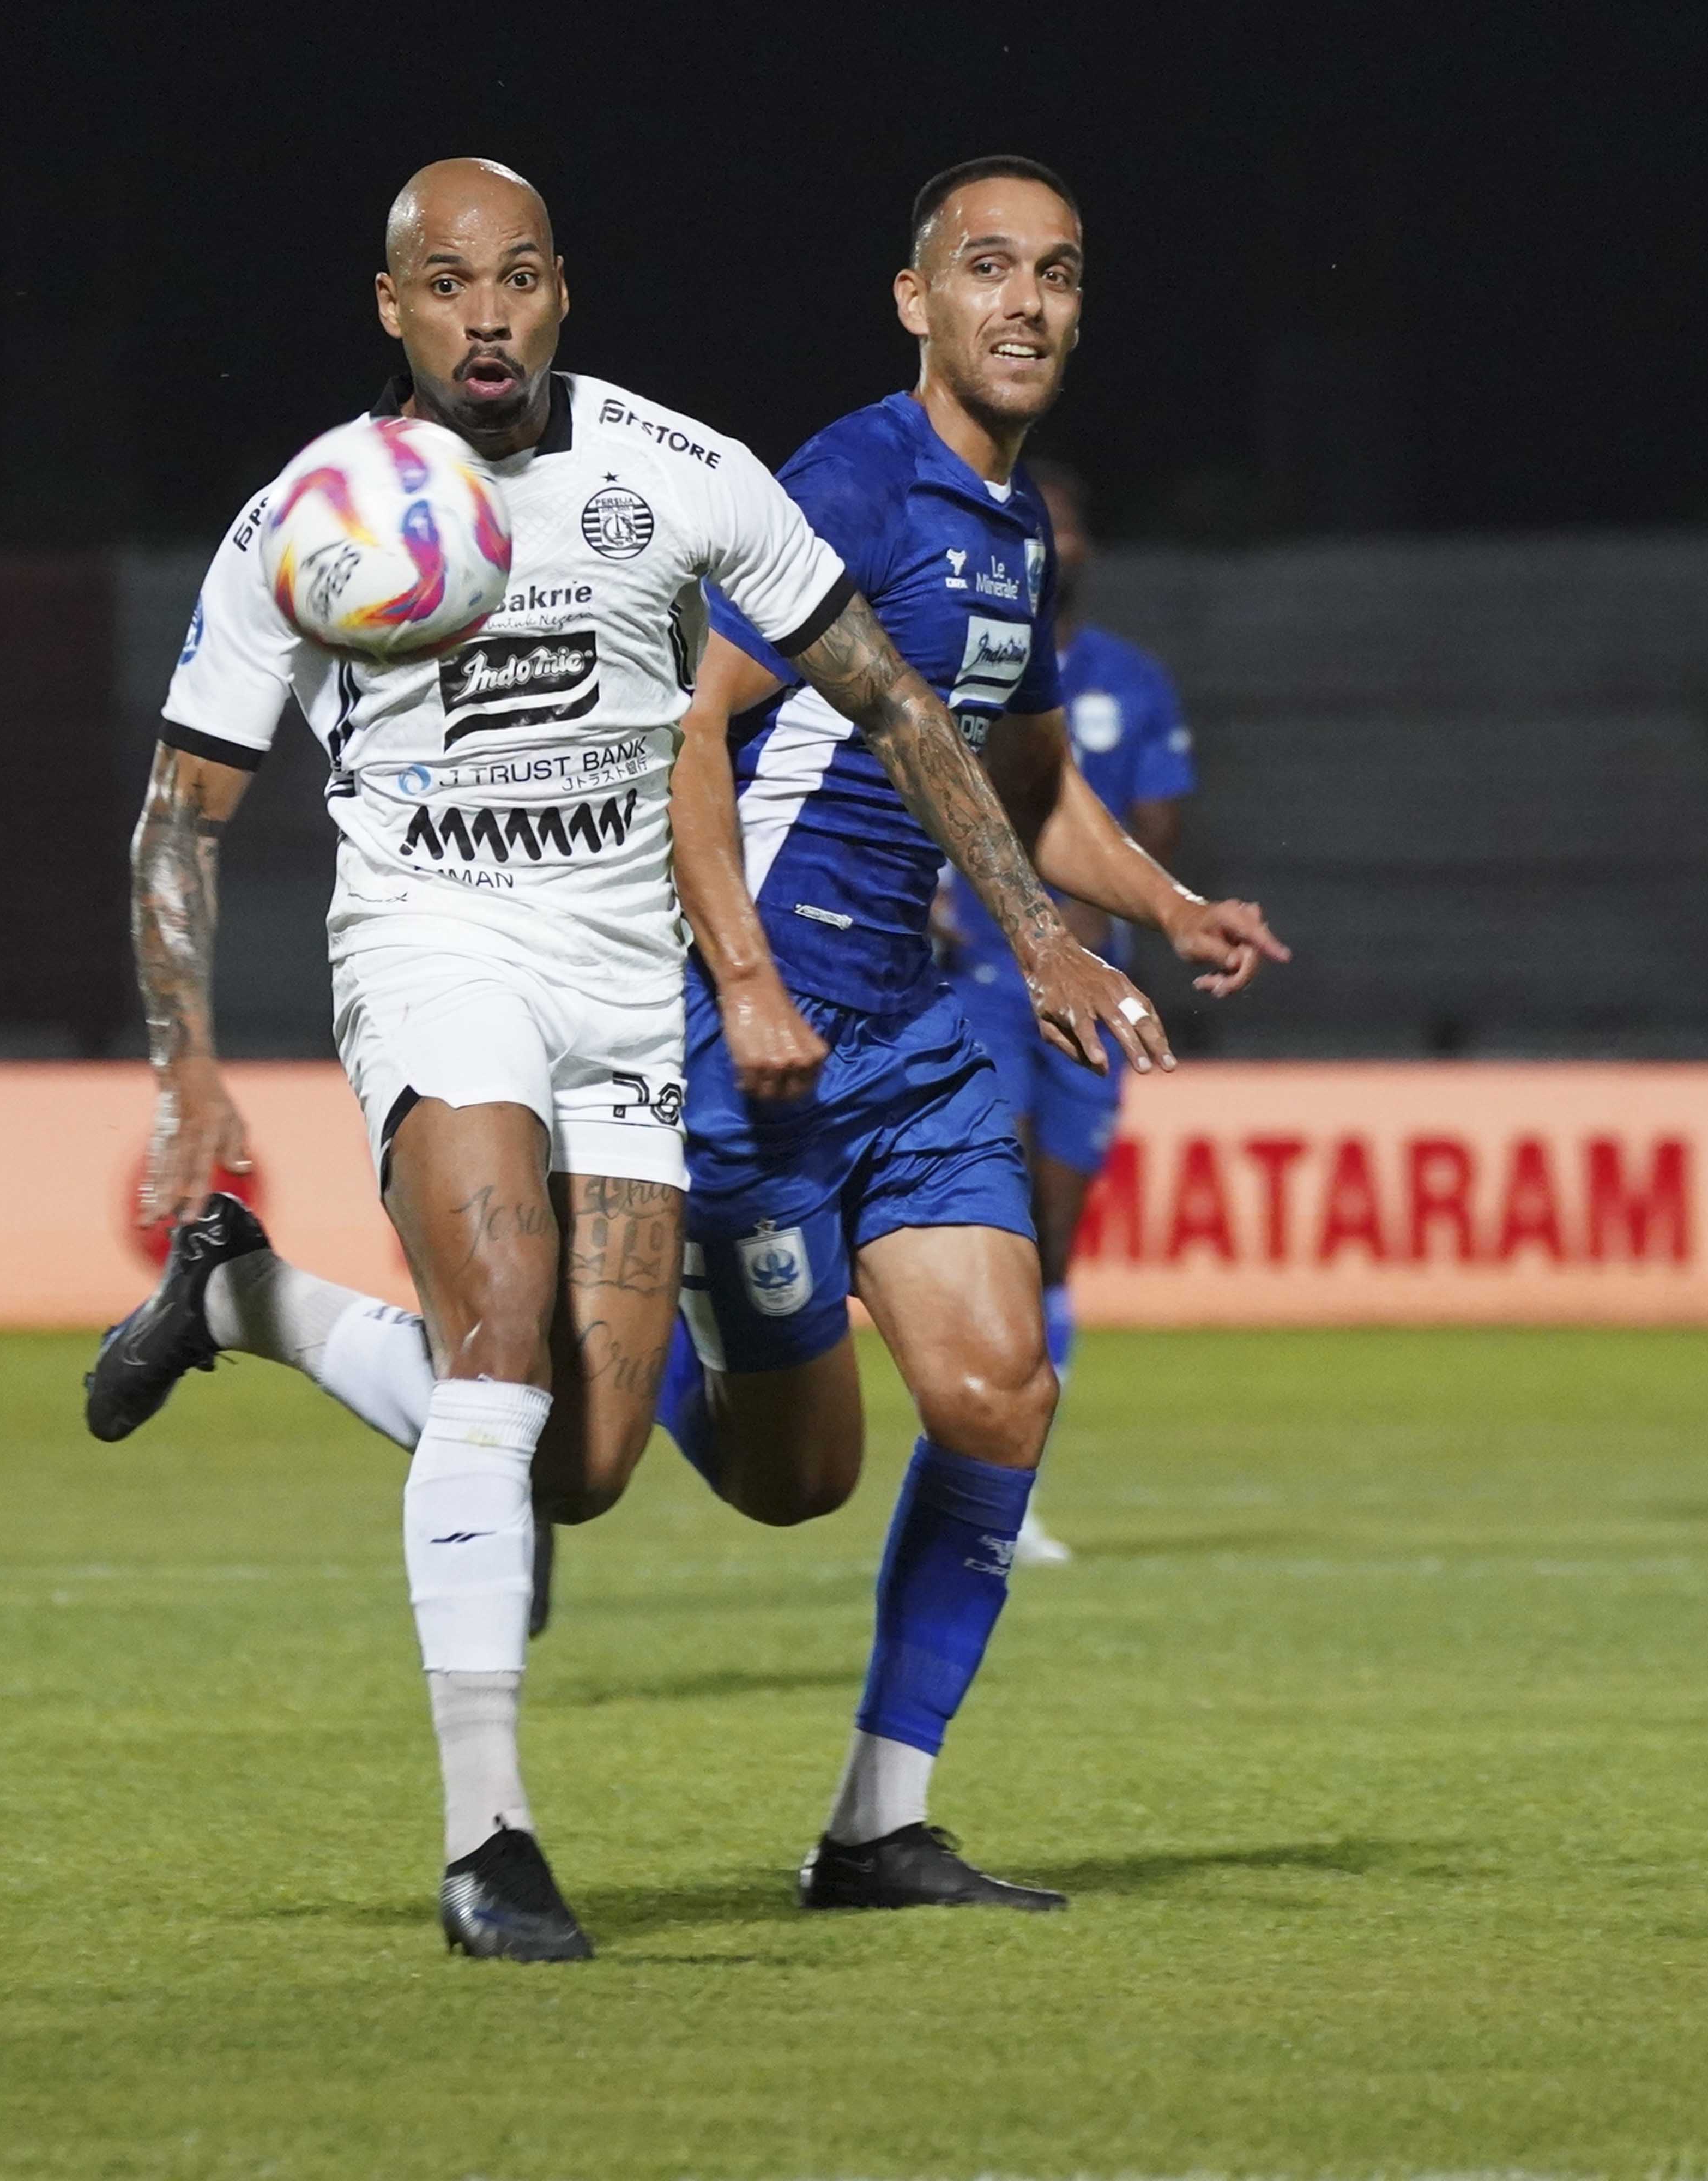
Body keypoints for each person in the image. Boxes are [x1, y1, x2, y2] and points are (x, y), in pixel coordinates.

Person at [82, 157, 1160, 1961]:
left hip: (618, 989)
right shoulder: (314, 517)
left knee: (580, 1459)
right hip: (432, 958)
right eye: (445, 285)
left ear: (561, 292)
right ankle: (488, 1842)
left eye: (515, 280)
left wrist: (1037, 921)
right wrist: (183, 1060)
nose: (483, 313)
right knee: (503, 1345)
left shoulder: (678, 475)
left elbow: (892, 695)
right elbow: (179, 816)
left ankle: (254, 1308)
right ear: (393, 306)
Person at [660, 156, 1285, 1912]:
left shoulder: (1013, 531)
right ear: (915, 297)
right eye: (989, 267)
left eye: (1060, 275)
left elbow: (1023, 788)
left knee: (1001, 1393)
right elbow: (687, 730)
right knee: (797, 1482)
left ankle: (876, 1823)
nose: (1027, 302)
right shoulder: (846, 483)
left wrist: (1164, 910)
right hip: (765, 1035)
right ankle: (627, 1348)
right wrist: (745, 984)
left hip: (920, 1030)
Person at [928, 460, 1198, 1564]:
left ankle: (1011, 1473)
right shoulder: (958, 663)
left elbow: (1159, 820)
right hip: (979, 981)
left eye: (1075, 525)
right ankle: (988, 1481)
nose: (1061, 543)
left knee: (1053, 1235)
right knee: (1001, 1211)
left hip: (1098, 982)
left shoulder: (1131, 680)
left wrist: (1122, 907)